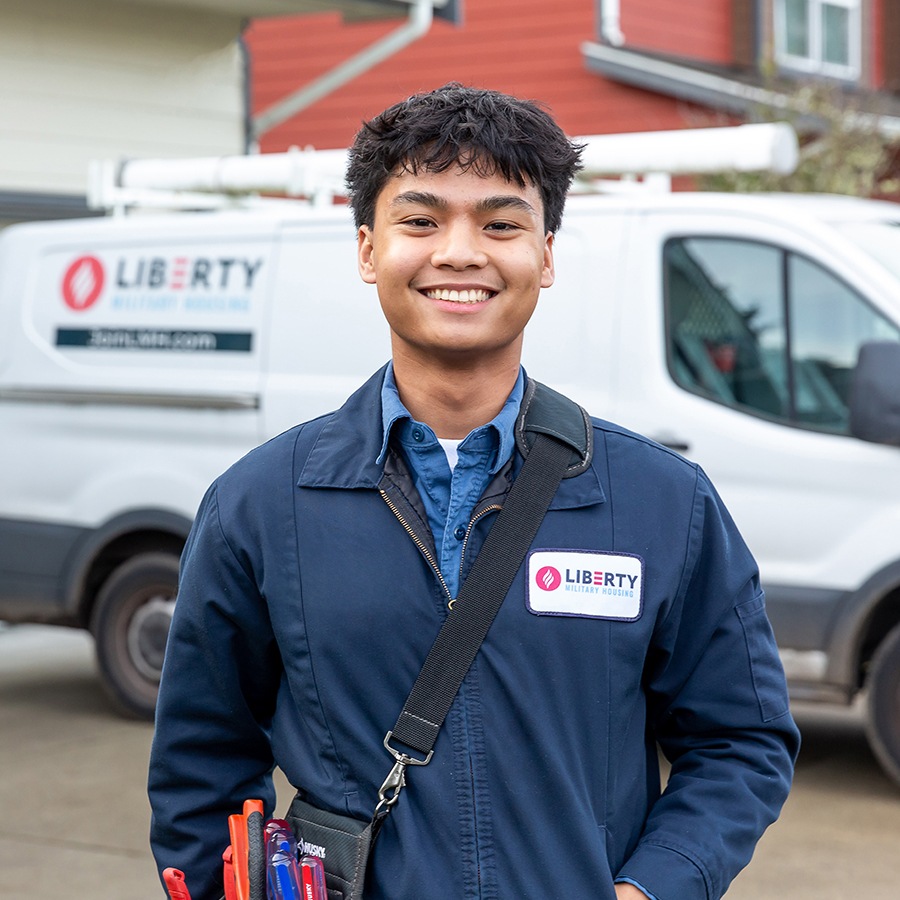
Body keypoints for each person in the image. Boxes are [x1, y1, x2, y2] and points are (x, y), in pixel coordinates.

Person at [149, 83, 799, 900]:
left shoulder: (663, 502)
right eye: (420, 221)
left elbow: (742, 742)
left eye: (500, 223)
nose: (460, 252)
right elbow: (200, 764)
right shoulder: (260, 503)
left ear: (547, 254)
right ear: (366, 249)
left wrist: (653, 889)